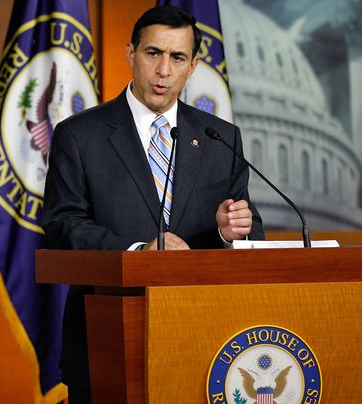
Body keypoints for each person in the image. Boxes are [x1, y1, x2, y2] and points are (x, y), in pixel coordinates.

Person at [41, 5, 265, 402]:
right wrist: (138, 253)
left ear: (193, 65)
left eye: (177, 57)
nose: (164, 70)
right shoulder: (79, 135)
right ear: (131, 53)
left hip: (205, 345)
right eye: (153, 53)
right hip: (106, 339)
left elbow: (250, 232)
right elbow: (63, 225)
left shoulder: (221, 137)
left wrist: (230, 232)